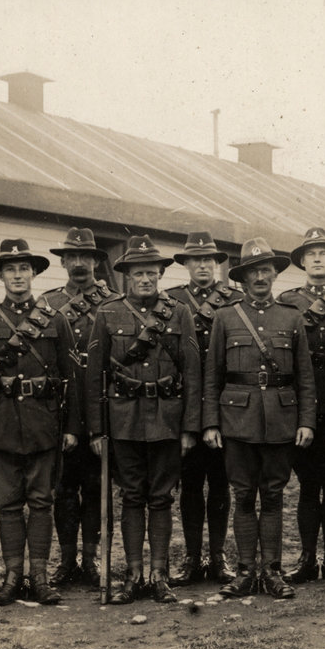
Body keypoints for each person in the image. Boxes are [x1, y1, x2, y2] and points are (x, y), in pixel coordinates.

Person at [0, 239, 80, 606]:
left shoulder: (56, 321)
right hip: (0, 426)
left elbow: (72, 377)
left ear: (34, 273)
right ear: (1, 275)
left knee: (41, 501)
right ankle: (12, 578)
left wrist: (71, 427)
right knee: (9, 503)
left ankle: (39, 577)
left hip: (44, 424)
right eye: (10, 269)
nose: (18, 275)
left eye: (24, 268)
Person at [86, 236, 201, 604]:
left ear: (161, 274)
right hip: (123, 421)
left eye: (152, 272)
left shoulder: (179, 312)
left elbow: (193, 373)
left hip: (167, 420)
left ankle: (159, 575)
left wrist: (190, 428)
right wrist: (98, 430)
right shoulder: (107, 312)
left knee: (162, 497)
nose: (146, 279)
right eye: (139, 273)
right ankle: (133, 575)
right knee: (132, 496)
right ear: (126, 276)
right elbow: (94, 376)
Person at [202, 237, 315, 599]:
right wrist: (211, 422)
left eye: (266, 270)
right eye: (254, 271)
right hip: (237, 420)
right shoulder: (225, 317)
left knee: (273, 495)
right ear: (243, 278)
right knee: (243, 495)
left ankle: (273, 571)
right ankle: (246, 571)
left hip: (281, 418)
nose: (261, 277)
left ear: (274, 274)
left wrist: (306, 421)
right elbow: (212, 376)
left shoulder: (292, 317)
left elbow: (306, 377)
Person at [167, 232, 243, 586]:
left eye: (209, 260)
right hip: (183, 405)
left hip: (224, 405)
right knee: (190, 484)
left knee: (221, 483)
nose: (202, 266)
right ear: (185, 264)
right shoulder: (170, 301)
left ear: (217, 265)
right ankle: (192, 557)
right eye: (195, 260)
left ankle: (218, 556)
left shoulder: (235, 300)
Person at [278, 228, 325, 583]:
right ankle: (308, 558)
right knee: (308, 485)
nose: (318, 259)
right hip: (303, 406)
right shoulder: (288, 302)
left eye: (324, 253)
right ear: (303, 262)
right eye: (311, 254)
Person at [39, 227, 113, 587]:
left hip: (101, 406)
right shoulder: (48, 304)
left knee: (97, 485)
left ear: (96, 262)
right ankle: (67, 559)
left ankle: (92, 558)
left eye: (87, 257)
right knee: (64, 487)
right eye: (73, 258)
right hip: (63, 409)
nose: (80, 264)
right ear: (64, 261)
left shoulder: (113, 303)